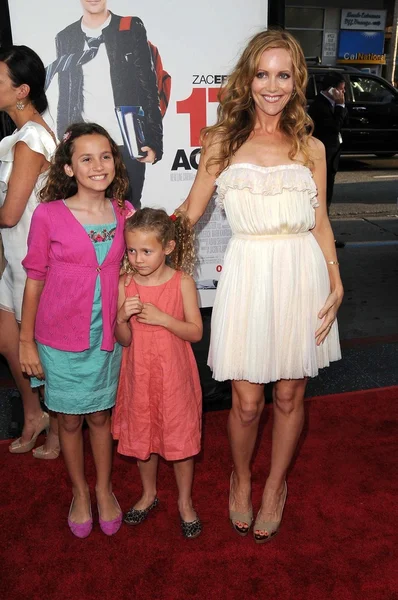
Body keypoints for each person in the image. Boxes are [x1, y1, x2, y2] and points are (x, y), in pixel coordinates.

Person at [178, 29, 343, 543]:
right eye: (263, 73)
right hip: (248, 275)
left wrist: (337, 281)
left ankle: (275, 485)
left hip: (302, 275)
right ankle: (241, 477)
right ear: (248, 78)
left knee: (291, 393)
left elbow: (320, 223)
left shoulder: (311, 147)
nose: (273, 85)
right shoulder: (221, 142)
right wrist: (131, 249)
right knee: (247, 401)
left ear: (297, 82)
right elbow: (189, 213)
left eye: (284, 74)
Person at [19, 122, 132, 538]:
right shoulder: (48, 215)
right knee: (67, 422)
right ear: (68, 168)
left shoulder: (125, 213)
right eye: (85, 158)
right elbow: (33, 279)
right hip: (58, 337)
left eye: (105, 156)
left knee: (101, 416)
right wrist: (25, 340)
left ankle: (104, 489)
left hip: (106, 336)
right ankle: (79, 492)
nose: (97, 166)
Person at [112, 207, 203, 539]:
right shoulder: (126, 284)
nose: (138, 258)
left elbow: (195, 332)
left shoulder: (182, 283)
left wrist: (165, 319)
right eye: (132, 250)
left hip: (174, 375)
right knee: (143, 437)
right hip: (138, 374)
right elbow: (122, 339)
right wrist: (121, 317)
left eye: (146, 251)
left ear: (168, 247)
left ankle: (185, 502)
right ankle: (148, 494)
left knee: (179, 439)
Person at [45, 0, 164, 208]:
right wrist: (64, 148)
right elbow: (65, 96)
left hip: (126, 142)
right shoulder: (65, 36)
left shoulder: (130, 27)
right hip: (84, 147)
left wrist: (154, 142)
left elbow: (148, 88)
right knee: (87, 212)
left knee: (128, 211)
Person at [0, 45, 59, 458]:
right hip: (11, 259)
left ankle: (58, 428)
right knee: (8, 343)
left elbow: (10, 213)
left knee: (40, 354)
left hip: (30, 263)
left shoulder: (32, 139)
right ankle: (34, 413)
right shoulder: (20, 135)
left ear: (21, 91)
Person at [308, 71, 348, 212]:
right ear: (332, 89)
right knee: (322, 193)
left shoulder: (334, 103)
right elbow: (334, 127)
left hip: (332, 156)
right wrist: (340, 107)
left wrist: (340, 106)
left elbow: (344, 123)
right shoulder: (320, 106)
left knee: (329, 190)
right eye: (341, 89)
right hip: (324, 156)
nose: (344, 92)